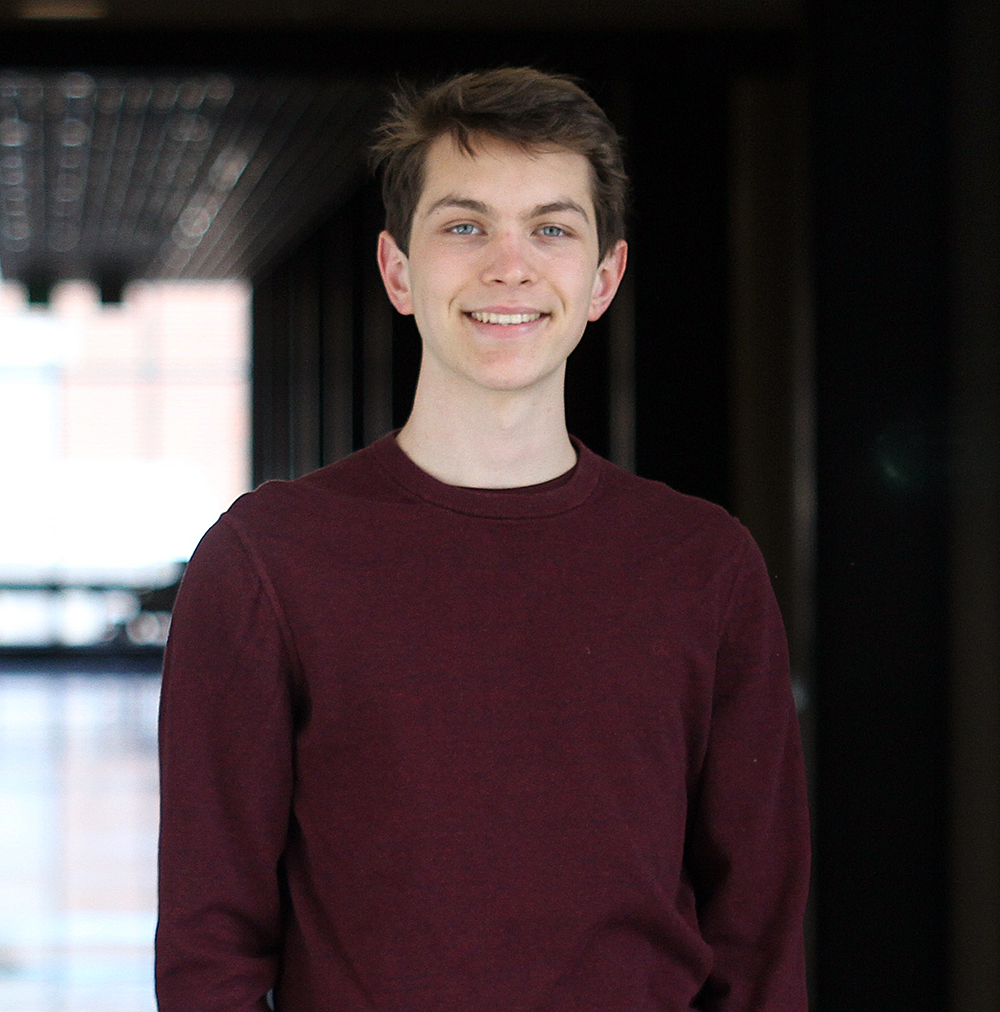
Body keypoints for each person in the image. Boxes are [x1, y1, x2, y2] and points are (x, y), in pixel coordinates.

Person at [155, 67, 810, 1012]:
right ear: (398, 271)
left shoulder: (704, 566)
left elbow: (759, 933)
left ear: (604, 277)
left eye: (551, 228)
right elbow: (209, 944)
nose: (510, 265)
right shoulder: (268, 562)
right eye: (465, 226)